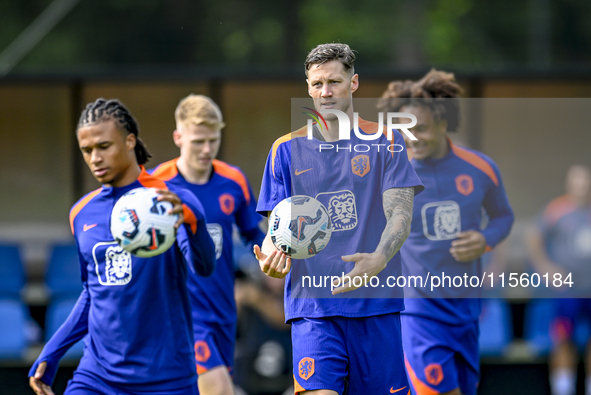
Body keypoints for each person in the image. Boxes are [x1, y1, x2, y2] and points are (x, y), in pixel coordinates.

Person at [254, 43, 424, 394]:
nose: (325, 92)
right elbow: (276, 225)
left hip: (376, 306)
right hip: (313, 308)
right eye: (317, 84)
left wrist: (379, 258)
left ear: (354, 83)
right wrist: (272, 253)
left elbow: (400, 213)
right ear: (307, 87)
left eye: (334, 81)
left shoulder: (386, 140)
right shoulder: (284, 149)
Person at [29, 98, 216, 395]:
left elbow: (204, 268)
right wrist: (51, 352)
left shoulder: (171, 201)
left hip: (167, 379)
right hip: (98, 377)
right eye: (87, 150)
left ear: (130, 141)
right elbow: (92, 293)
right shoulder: (81, 213)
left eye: (104, 146)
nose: (95, 158)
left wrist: (195, 225)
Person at [378, 70, 514, 395]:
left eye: (421, 129)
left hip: (467, 312)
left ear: (442, 122)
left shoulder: (480, 168)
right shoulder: (390, 173)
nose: (412, 138)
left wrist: (485, 239)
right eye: (404, 129)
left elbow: (503, 217)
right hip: (416, 312)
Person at [150, 94, 265, 395]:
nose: (206, 149)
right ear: (178, 137)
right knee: (221, 391)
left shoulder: (233, 180)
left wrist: (273, 254)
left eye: (213, 141)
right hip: (180, 311)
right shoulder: (154, 185)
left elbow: (254, 234)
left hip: (223, 308)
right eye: (197, 141)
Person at [526, 165, 591, 395]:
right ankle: (564, 389)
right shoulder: (557, 209)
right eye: (577, 181)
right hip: (568, 291)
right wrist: (546, 267)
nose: (581, 186)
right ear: (569, 183)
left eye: (585, 181)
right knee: (563, 339)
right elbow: (534, 237)